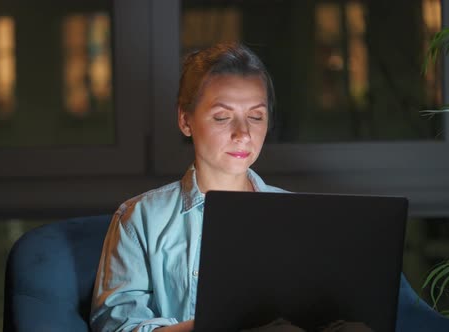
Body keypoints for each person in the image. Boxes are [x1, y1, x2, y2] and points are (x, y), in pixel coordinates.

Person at [90, 43, 371, 332]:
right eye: (223, 117)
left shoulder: (300, 215)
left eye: (256, 116)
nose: (243, 134)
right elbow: (118, 327)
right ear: (185, 120)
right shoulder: (140, 218)